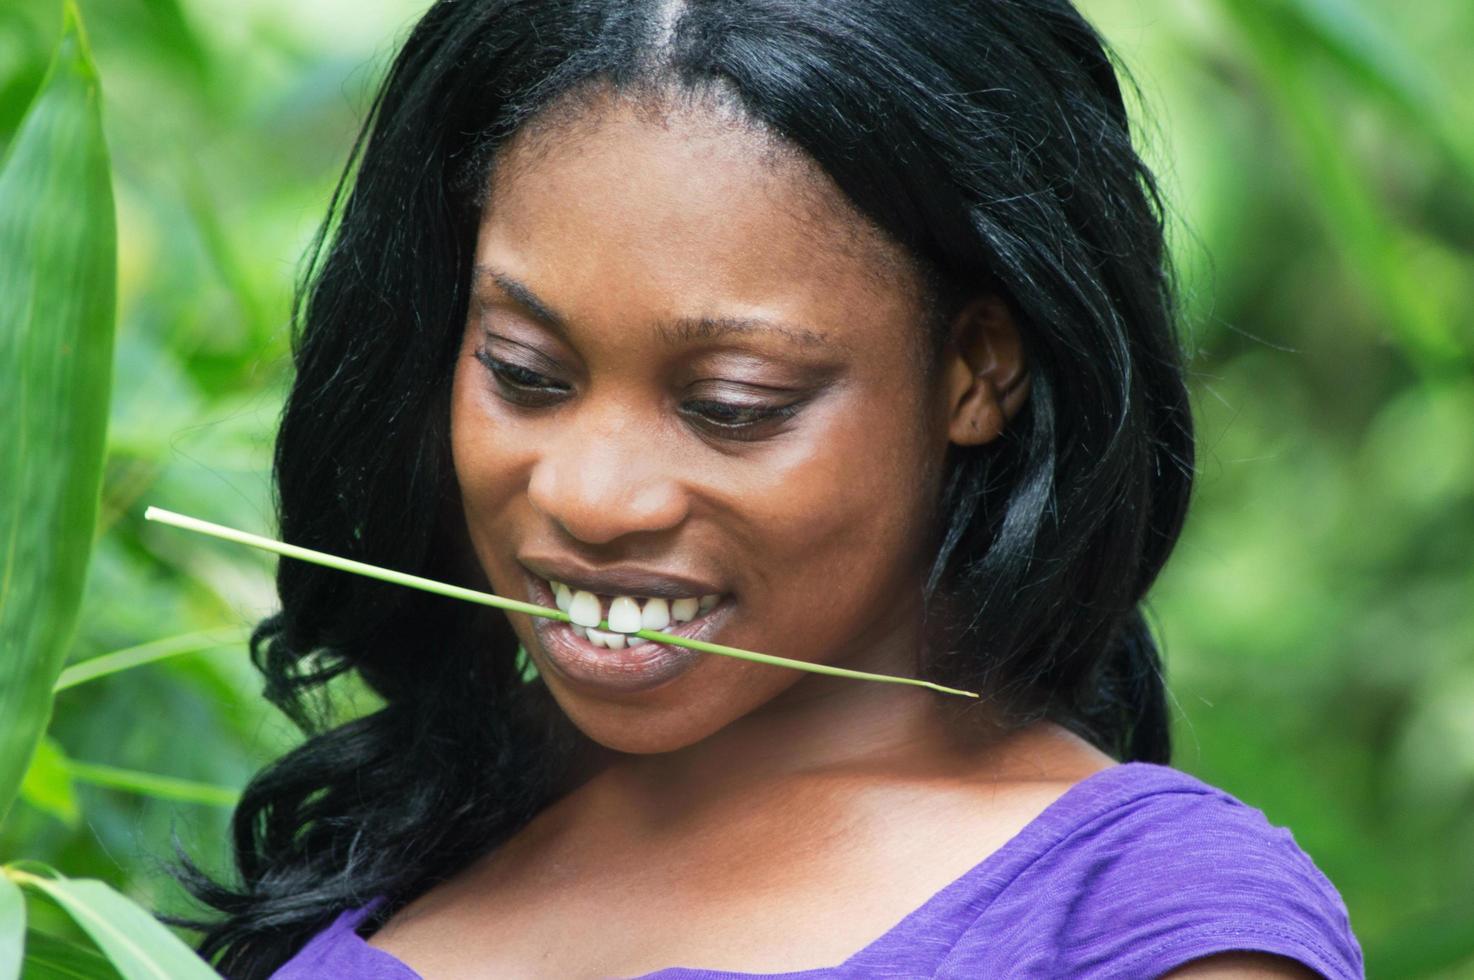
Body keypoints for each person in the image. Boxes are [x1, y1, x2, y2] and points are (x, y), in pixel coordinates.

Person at [181, 1, 1364, 977]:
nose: (593, 495)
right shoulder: (397, 841)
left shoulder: (1152, 922)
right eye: (525, 374)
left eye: (733, 404)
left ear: (977, 370)